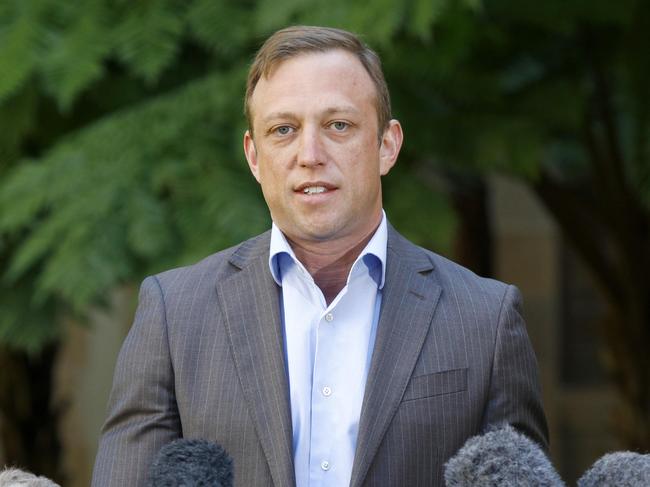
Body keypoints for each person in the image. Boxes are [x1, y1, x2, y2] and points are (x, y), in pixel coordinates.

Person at [92, 25, 548, 487]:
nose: (310, 154)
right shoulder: (174, 314)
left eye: (338, 125)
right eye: (283, 129)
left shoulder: (485, 320)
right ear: (254, 155)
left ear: (387, 145)